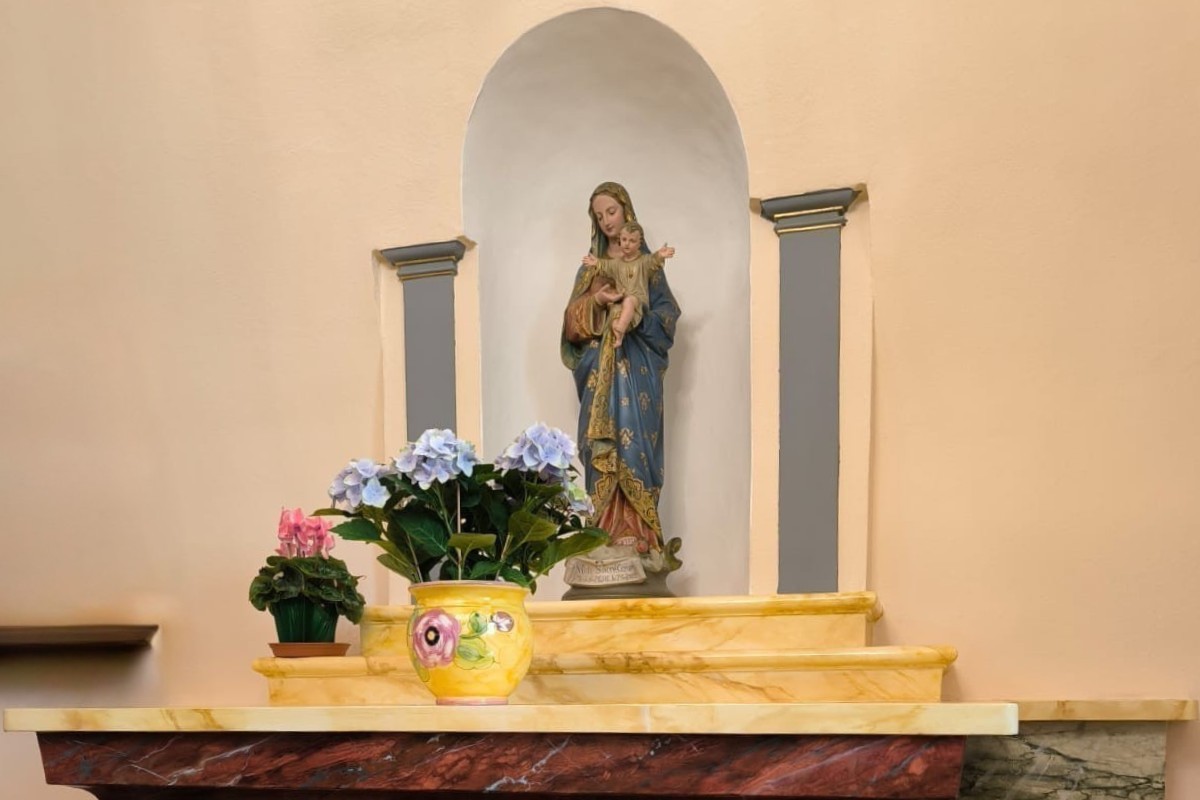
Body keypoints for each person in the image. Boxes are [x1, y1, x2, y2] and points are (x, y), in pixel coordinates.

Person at [561, 182, 682, 586]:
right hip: (599, 374)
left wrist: (636, 318)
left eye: (611, 212)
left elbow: (668, 316)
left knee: (634, 447)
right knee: (601, 447)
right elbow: (571, 326)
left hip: (637, 370)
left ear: (626, 211)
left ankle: (640, 539)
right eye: (599, 216)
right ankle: (602, 535)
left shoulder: (647, 265)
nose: (606, 221)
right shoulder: (592, 267)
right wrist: (596, 303)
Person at [582, 221, 675, 348]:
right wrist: (596, 262)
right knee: (614, 312)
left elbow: (653, 261)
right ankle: (618, 338)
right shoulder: (616, 263)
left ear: (639, 243)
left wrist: (660, 255)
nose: (627, 243)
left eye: (632, 241)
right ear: (619, 240)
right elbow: (605, 265)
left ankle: (620, 328)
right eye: (624, 239)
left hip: (638, 301)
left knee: (629, 301)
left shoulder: (643, 261)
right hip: (621, 300)